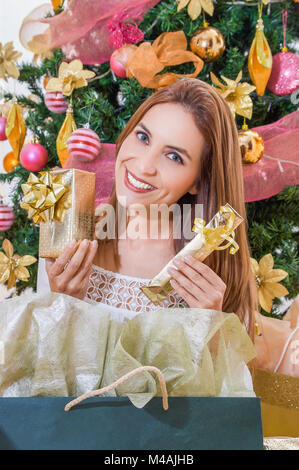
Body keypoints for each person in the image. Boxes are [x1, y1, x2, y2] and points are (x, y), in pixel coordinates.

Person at [42, 77, 258, 339]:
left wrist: (209, 330)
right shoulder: (69, 237)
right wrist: (63, 305)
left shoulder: (209, 276)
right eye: (143, 137)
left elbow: (231, 378)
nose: (145, 166)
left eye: (174, 157)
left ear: (198, 182)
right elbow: (38, 369)